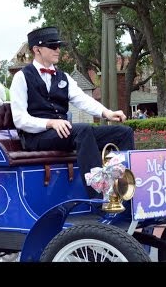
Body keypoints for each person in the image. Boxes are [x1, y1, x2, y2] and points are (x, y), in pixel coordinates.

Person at [9, 26, 135, 198]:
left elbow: (83, 99)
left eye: (59, 46)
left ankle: (124, 191)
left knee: (123, 133)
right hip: (36, 137)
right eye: (53, 46)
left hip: (64, 133)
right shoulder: (21, 77)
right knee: (82, 130)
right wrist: (49, 123)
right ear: (37, 49)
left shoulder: (63, 77)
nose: (58, 50)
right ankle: (99, 196)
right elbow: (19, 119)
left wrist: (107, 113)